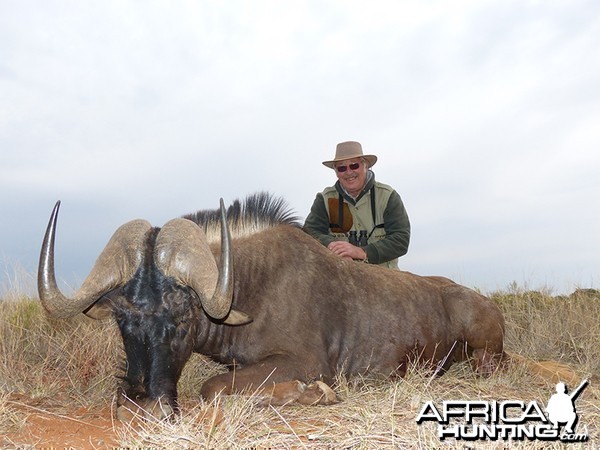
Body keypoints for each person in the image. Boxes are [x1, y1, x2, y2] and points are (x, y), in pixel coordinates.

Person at [304, 141, 410, 269]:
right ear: (336, 172)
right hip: (340, 276)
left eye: (354, 165)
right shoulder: (324, 199)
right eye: (342, 168)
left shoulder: (388, 196)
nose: (349, 172)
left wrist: (361, 252)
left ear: (365, 166)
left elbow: (401, 240)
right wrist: (335, 248)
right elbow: (309, 233)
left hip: (384, 279)